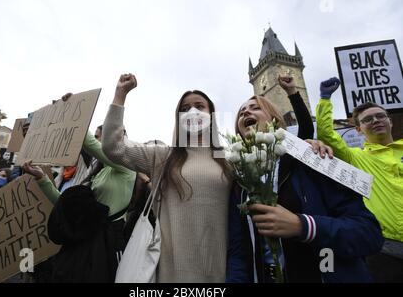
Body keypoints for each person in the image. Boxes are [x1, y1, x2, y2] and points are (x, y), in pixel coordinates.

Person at [226, 75, 383, 283]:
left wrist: (303, 226)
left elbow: (368, 234)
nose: (246, 111)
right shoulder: (240, 183)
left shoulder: (312, 159)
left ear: (274, 120)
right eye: (241, 112)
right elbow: (240, 253)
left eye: (255, 107)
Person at [102, 73, 233, 282]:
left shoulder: (230, 159)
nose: (192, 112)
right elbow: (113, 147)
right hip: (173, 273)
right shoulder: (163, 156)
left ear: (212, 115)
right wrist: (121, 94)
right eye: (184, 108)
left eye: (200, 106)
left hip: (222, 270)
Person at [22, 114, 136, 282]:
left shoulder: (127, 168)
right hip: (83, 246)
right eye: (97, 138)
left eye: (100, 138)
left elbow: (93, 146)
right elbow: (66, 208)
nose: (97, 142)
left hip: (106, 247)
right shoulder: (95, 175)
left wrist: (75, 121)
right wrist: (42, 179)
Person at [316, 77, 403, 282]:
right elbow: (327, 135)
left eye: (380, 116)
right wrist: (325, 99)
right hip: (385, 250)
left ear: (390, 121)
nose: (375, 121)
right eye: (367, 120)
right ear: (358, 129)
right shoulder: (356, 157)